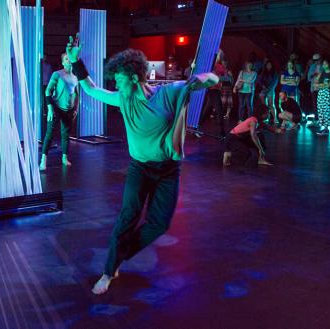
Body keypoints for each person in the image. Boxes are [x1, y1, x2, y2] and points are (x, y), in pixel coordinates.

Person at [64, 35, 219, 294]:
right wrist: (75, 60)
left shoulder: (168, 93)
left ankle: (120, 256)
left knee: (160, 224)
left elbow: (212, 79)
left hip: (168, 170)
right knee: (128, 217)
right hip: (139, 168)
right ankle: (108, 270)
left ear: (135, 79)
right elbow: (91, 89)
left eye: (120, 80)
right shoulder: (123, 99)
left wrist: (200, 80)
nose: (116, 84)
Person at [40, 53, 79, 169]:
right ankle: (43, 160)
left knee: (66, 134)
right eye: (66, 59)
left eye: (69, 59)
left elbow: (76, 94)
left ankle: (64, 158)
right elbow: (48, 91)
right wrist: (50, 109)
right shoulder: (57, 74)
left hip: (69, 110)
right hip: (56, 107)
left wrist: (75, 108)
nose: (69, 61)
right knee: (50, 133)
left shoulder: (75, 77)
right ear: (63, 62)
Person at [199, 49, 226, 136]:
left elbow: (223, 74)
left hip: (215, 90)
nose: (219, 56)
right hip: (212, 90)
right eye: (218, 54)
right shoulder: (210, 65)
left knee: (208, 109)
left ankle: (197, 126)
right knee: (218, 109)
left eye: (220, 55)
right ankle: (222, 131)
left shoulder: (219, 66)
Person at [315, 59, 330, 136]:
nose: (324, 65)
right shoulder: (321, 73)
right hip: (320, 93)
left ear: (329, 64)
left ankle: (326, 129)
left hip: (327, 93)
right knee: (320, 110)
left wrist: (321, 85)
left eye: (325, 64)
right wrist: (322, 85)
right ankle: (323, 127)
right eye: (323, 64)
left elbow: (329, 85)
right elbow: (315, 83)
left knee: (326, 110)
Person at [258, 60, 279, 125]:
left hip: (270, 90)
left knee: (271, 105)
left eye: (270, 64)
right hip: (264, 89)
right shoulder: (263, 72)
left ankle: (275, 118)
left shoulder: (274, 73)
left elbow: (274, 83)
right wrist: (263, 86)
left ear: (272, 65)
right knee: (264, 105)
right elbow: (259, 80)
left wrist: (269, 89)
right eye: (267, 65)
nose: (268, 66)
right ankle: (266, 118)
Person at [306, 53, 323, 125]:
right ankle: (316, 119)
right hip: (314, 88)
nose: (316, 61)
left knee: (321, 104)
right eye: (314, 60)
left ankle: (321, 120)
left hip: (322, 88)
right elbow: (309, 78)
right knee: (315, 104)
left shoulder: (323, 66)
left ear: (320, 59)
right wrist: (313, 75)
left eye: (317, 60)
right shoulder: (312, 66)